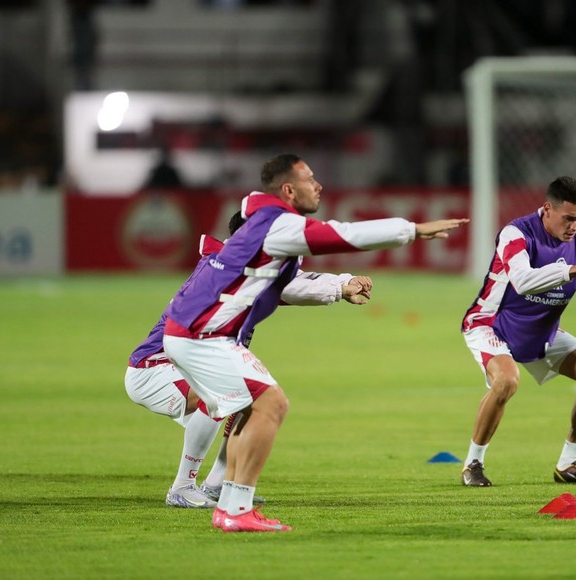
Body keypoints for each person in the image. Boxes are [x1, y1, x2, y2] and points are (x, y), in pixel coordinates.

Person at [161, 153, 468, 532]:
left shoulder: (264, 223)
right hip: (202, 335)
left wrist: (340, 287)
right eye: (309, 179)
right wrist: (412, 230)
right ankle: (234, 509)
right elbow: (344, 235)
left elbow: (290, 285)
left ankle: (227, 504)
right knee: (272, 404)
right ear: (289, 190)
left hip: (197, 332)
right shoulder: (278, 224)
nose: (318, 185)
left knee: (250, 408)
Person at [125, 211, 376, 508]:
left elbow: (290, 282)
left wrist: (345, 282)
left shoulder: (245, 267)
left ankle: (216, 485)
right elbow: (290, 287)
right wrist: (340, 287)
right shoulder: (225, 268)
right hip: (154, 367)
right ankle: (182, 487)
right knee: (219, 393)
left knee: (250, 398)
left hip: (181, 364)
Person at [459, 176, 576, 487]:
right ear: (547, 209)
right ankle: (472, 464)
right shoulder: (516, 234)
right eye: (568, 218)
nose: (575, 226)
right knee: (506, 381)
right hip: (492, 323)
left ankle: (569, 463)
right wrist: (574, 269)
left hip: (541, 330)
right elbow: (522, 281)